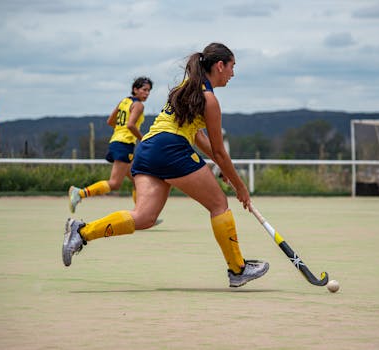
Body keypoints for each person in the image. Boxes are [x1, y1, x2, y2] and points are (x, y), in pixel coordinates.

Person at [62, 43, 269, 288]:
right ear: (220, 65)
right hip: (171, 148)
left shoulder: (186, 88)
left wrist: (225, 170)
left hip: (148, 148)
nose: (233, 74)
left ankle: (82, 232)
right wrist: (240, 187)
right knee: (219, 204)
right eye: (232, 67)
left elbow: (198, 137)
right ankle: (238, 269)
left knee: (144, 217)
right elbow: (220, 152)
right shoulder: (209, 99)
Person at [68, 77, 154, 214]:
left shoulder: (124, 101)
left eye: (149, 90)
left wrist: (121, 131)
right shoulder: (138, 105)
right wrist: (144, 139)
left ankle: (141, 214)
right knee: (114, 183)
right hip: (124, 144)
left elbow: (110, 121)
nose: (147, 93)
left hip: (116, 141)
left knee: (137, 179)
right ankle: (80, 193)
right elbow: (131, 125)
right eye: (144, 90)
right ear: (135, 89)